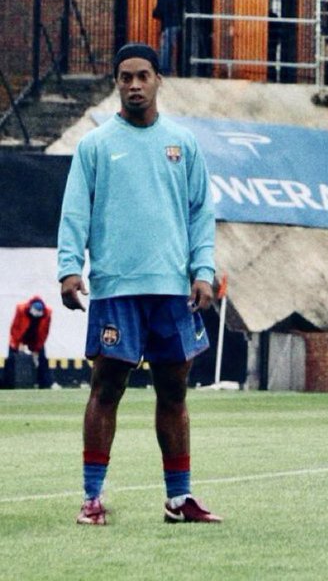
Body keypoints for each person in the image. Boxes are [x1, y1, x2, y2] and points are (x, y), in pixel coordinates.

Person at [57, 43, 220, 526]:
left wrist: (203, 270)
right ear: (116, 83)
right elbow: (74, 211)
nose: (133, 84)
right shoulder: (95, 146)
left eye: (142, 75)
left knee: (174, 391)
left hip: (173, 288)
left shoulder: (183, 144)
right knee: (107, 388)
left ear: (157, 80)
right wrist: (70, 268)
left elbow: (200, 214)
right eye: (125, 77)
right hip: (115, 287)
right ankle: (91, 497)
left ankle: (179, 499)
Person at [4, 296, 52, 389]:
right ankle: (8, 385)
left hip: (35, 338)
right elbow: (15, 328)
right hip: (20, 337)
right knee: (11, 359)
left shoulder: (47, 313)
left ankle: (44, 385)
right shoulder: (21, 309)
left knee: (42, 359)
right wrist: (18, 344)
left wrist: (37, 349)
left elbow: (44, 332)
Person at [152, 0, 181, 76]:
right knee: (171, 47)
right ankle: (173, 68)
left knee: (165, 47)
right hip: (175, 24)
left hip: (167, 25)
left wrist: (154, 12)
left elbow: (158, 11)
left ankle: (164, 69)